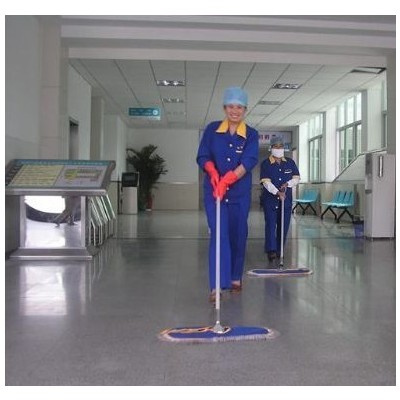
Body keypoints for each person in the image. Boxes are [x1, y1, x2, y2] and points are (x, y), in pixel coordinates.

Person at [197, 87, 259, 301]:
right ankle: (216, 285)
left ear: (245, 110)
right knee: (219, 233)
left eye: (239, 107)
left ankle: (234, 276)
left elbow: (249, 161)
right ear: (224, 108)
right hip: (214, 192)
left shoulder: (251, 134)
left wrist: (229, 179)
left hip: (239, 193)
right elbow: (203, 155)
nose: (235, 111)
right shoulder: (212, 130)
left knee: (238, 234)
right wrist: (213, 172)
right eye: (231, 106)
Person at [260, 136, 300, 262]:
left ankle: (279, 249)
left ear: (284, 148)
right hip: (270, 200)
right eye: (275, 146)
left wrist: (288, 184)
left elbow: (296, 178)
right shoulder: (266, 164)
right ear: (271, 148)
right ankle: (271, 250)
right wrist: (277, 192)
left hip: (285, 201)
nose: (278, 149)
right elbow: (266, 182)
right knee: (271, 225)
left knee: (284, 225)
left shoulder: (290, 162)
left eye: (281, 146)